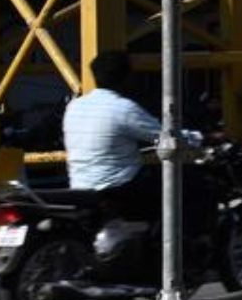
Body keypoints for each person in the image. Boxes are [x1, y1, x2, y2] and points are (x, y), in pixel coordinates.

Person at [63, 50, 201, 223]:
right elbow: (167, 136)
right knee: (191, 186)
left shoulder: (74, 107)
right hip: (118, 187)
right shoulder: (124, 108)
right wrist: (201, 137)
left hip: (80, 186)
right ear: (126, 77)